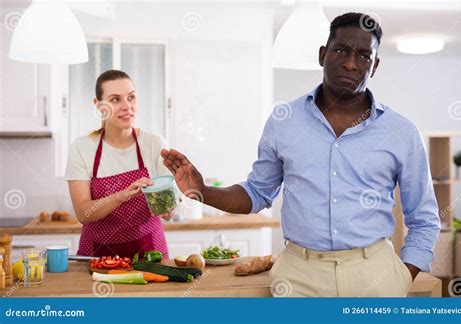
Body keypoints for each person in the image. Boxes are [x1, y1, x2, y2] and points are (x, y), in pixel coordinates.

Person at [160, 12, 440, 297]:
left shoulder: (401, 132)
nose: (350, 63)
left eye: (364, 55)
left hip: (375, 274)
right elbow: (257, 193)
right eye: (341, 49)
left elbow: (424, 217)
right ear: (322, 55)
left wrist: (403, 276)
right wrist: (202, 190)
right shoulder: (285, 120)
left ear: (375, 66)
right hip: (299, 276)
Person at [65, 70, 173, 259]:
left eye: (131, 97)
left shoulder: (155, 144)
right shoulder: (81, 148)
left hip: (151, 254)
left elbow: (167, 209)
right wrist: (122, 196)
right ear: (98, 106)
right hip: (98, 257)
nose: (127, 106)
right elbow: (83, 213)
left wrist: (170, 206)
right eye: (115, 100)